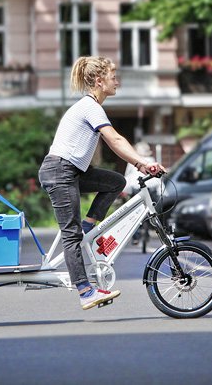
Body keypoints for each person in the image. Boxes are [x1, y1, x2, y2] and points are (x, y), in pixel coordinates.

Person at [38, 56, 166, 310]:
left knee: (115, 181)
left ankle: (89, 224)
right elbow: (115, 140)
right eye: (113, 76)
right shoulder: (90, 107)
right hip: (60, 171)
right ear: (99, 80)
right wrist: (142, 164)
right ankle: (86, 292)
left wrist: (139, 164)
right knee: (71, 234)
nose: (117, 81)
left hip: (71, 170)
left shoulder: (92, 107)